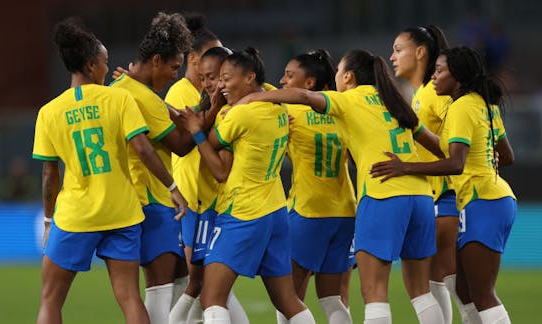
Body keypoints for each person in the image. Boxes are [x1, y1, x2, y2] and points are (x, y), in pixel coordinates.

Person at [237, 49, 446, 324]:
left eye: (289, 76)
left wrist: (253, 97)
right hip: (413, 199)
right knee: (416, 292)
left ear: (348, 76)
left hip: (353, 200)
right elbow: (443, 150)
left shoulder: (343, 103)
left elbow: (303, 98)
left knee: (355, 293)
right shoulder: (394, 102)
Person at [33, 18, 187, 324]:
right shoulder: (119, 98)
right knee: (130, 297)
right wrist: (172, 188)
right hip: (122, 212)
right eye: (104, 62)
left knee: (51, 299)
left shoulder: (49, 112)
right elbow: (143, 150)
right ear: (91, 66)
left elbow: (51, 175)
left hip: (77, 213)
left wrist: (49, 219)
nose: (108, 68)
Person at [370, 46, 516, 324]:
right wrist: (485, 156)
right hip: (496, 199)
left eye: (439, 71)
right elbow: (507, 156)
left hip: (482, 201)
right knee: (463, 288)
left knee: (483, 294)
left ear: (458, 76)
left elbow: (455, 163)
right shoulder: (483, 103)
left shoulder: (461, 107)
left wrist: (406, 167)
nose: (434, 77)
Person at [179, 47, 316, 324]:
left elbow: (217, 164)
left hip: (243, 211)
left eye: (225, 78)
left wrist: (196, 129)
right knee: (287, 300)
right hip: (275, 209)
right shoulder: (275, 103)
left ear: (249, 77)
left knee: (212, 297)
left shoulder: (240, 116)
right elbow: (272, 90)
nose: (220, 85)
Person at [108, 12, 196, 324]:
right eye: (174, 67)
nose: (176, 75)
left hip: (138, 200)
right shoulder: (145, 99)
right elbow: (183, 145)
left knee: (188, 284)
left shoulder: (119, 84)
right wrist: (207, 115)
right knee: (161, 289)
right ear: (156, 61)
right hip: (154, 202)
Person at [169, 45, 250, 324]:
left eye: (213, 77)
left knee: (203, 286)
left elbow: (221, 171)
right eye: (203, 78)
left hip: (219, 205)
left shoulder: (231, 112)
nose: (207, 84)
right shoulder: (210, 108)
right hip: (199, 203)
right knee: (203, 285)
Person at [274, 49, 356, 324]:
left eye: (289, 75)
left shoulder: (290, 110)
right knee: (333, 297)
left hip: (308, 211)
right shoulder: (343, 111)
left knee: (288, 297)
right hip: (345, 211)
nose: (282, 81)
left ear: (309, 84)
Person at [390, 25, 456, 324]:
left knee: (457, 287)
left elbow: (459, 136)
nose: (392, 57)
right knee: (436, 280)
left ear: (420, 53)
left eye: (398, 49)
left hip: (448, 197)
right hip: (436, 198)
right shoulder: (420, 95)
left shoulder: (434, 94)